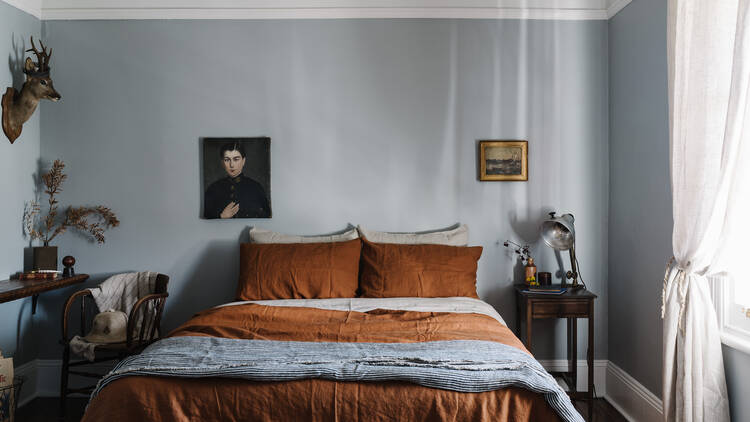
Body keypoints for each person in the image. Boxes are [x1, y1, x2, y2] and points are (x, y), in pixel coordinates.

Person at [204, 142, 270, 219]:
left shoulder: (256, 188)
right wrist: (222, 216)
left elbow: (266, 216)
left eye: (236, 159)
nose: (232, 165)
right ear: (222, 162)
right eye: (227, 160)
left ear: (243, 161)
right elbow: (205, 217)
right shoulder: (213, 189)